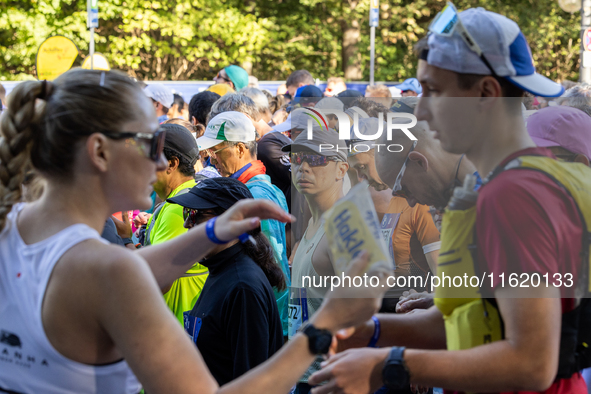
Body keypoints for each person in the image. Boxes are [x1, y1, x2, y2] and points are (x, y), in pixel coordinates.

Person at [0, 68, 391, 394]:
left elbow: (109, 275)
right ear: (100, 151)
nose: (162, 160)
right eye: (151, 141)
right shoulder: (109, 274)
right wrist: (324, 326)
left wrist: (212, 232)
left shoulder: (14, 227)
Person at [310, 5, 591, 394]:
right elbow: (473, 320)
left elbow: (532, 362)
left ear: (485, 94)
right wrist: (367, 331)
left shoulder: (514, 195)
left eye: (434, 91)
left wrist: (391, 364)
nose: (421, 110)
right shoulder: (506, 183)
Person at [169, 177, 285, 385]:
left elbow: (251, 384)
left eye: (195, 215)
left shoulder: (243, 287)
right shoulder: (220, 269)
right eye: (186, 214)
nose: (187, 224)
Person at [196, 111, 291, 338]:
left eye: (215, 151)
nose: (210, 159)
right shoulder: (256, 189)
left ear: (240, 149)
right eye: (207, 152)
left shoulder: (255, 196)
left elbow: (270, 265)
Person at [281, 128, 349, 394]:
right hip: (305, 373)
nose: (304, 167)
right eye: (297, 159)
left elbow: (363, 313)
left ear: (341, 169)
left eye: (318, 160)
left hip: (331, 377)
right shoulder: (312, 223)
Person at [142, 123, 208, 324]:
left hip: (178, 325)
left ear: (171, 164)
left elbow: (157, 279)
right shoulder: (188, 195)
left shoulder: (177, 208)